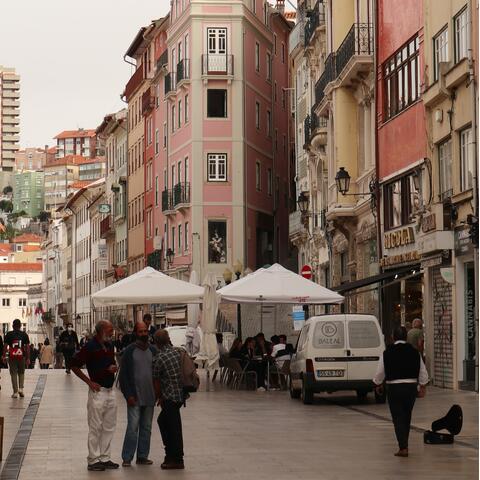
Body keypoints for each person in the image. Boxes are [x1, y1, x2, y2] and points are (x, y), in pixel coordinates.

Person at [71, 320, 119, 472]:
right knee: (95, 426)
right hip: (97, 392)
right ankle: (93, 459)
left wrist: (112, 368)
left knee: (109, 426)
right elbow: (74, 365)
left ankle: (104, 457)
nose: (112, 332)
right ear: (101, 331)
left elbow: (108, 364)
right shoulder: (90, 346)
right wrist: (89, 382)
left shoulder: (110, 345)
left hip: (110, 390)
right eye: (110, 330)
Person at [373, 326, 429, 457]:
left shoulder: (387, 352)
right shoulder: (414, 352)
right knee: (406, 416)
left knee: (397, 417)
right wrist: (423, 387)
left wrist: (377, 383)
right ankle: (404, 444)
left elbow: (380, 372)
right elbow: (422, 371)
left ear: (393, 337)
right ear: (406, 337)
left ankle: (403, 447)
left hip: (394, 388)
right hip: (410, 388)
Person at [118, 321, 157, 467]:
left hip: (150, 396)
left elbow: (157, 374)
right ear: (135, 333)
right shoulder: (129, 351)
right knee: (132, 428)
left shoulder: (153, 350)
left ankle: (142, 456)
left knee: (146, 428)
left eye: (145, 331)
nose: (143, 334)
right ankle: (127, 457)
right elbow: (123, 376)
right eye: (140, 331)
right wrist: (128, 395)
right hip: (134, 396)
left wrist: (158, 393)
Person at [153, 329, 185, 470]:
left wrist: (159, 396)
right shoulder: (176, 352)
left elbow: (156, 381)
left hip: (169, 397)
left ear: (156, 343)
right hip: (179, 396)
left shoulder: (158, 358)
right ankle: (172, 455)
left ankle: (175, 458)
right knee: (169, 424)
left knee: (172, 428)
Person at [2, 319, 30, 398]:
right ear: (20, 326)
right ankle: (21, 388)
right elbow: (27, 347)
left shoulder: (9, 334)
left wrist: (4, 356)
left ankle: (15, 392)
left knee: (13, 373)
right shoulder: (24, 334)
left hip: (12, 357)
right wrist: (28, 358)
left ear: (13, 326)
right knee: (21, 373)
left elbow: (5, 346)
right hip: (22, 356)